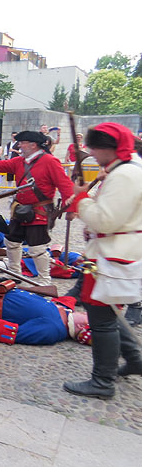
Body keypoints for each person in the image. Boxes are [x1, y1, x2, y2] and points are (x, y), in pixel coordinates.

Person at [63, 123, 142, 398]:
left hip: (112, 255)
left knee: (102, 320)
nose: (92, 153)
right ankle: (135, 359)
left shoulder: (124, 175)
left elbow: (105, 220)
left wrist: (81, 199)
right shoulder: (127, 169)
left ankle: (102, 381)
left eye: (95, 148)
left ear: (110, 148)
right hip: (113, 251)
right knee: (108, 313)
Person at [0, 131, 74, 286]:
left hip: (39, 212)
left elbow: (65, 185)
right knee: (11, 242)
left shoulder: (50, 161)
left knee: (37, 248)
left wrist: (71, 209)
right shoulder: (19, 161)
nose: (19, 145)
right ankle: (14, 275)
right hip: (19, 211)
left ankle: (44, 281)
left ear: (33, 145)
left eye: (22, 143)